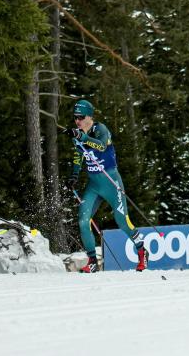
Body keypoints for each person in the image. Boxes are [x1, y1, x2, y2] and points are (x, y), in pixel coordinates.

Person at [67, 99, 147, 273]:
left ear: (89, 116)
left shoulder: (101, 129)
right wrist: (74, 175)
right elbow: (77, 157)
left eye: (80, 117)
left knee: (122, 222)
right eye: (75, 118)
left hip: (111, 182)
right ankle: (92, 261)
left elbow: (101, 146)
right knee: (83, 221)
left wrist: (84, 137)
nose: (77, 121)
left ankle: (141, 251)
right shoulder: (78, 135)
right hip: (94, 185)